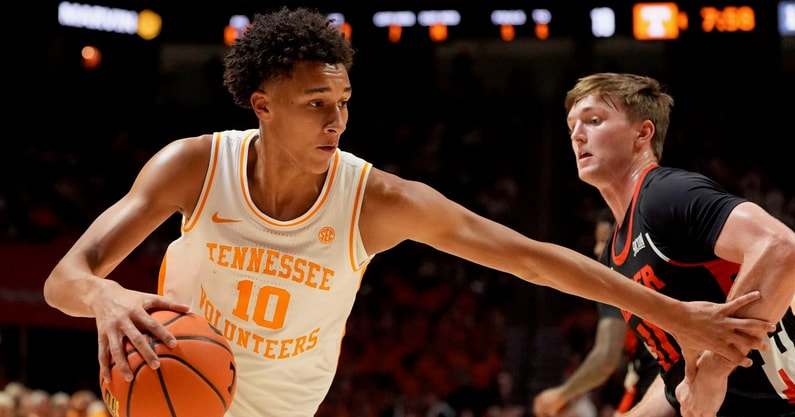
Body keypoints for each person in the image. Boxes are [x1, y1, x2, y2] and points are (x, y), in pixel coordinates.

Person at [43, 8, 774, 417]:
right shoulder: (193, 165)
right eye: (315, 104)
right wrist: (104, 293)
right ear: (261, 106)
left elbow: (528, 256)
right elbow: (64, 278)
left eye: (344, 103)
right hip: (170, 385)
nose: (336, 119)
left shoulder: (374, 200)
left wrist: (679, 314)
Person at [564, 72, 795, 417]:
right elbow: (680, 376)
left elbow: (781, 247)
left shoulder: (664, 193)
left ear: (643, 133)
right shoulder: (614, 247)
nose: (578, 135)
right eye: (572, 127)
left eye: (594, 121)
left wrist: (714, 371)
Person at [533, 208, 659, 417]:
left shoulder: (616, 282)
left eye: (603, 240)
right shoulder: (652, 264)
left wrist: (561, 395)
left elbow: (605, 359)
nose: (596, 249)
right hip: (671, 380)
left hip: (660, 384)